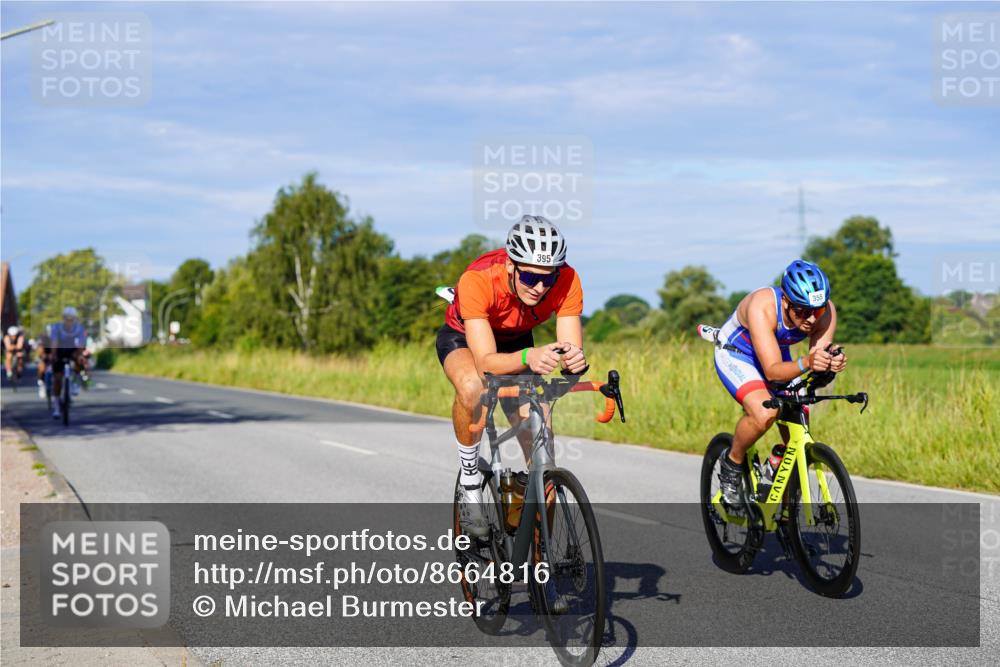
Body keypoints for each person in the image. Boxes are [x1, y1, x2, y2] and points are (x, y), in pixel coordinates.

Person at [438, 216, 588, 537]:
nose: (539, 287)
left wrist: (573, 360)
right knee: (473, 388)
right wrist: (529, 357)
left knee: (542, 454)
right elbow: (486, 364)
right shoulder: (478, 280)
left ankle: (538, 561)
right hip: (466, 339)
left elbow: (569, 346)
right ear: (511, 266)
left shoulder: (568, 279)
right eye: (531, 276)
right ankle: (469, 480)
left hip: (518, 342)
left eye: (548, 279)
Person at [712, 260, 847, 504]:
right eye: (802, 311)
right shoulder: (762, 306)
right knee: (766, 412)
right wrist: (808, 361)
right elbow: (773, 372)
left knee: (798, 428)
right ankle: (732, 463)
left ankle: (786, 517)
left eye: (816, 311)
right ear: (785, 300)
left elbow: (817, 359)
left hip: (774, 353)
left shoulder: (824, 312)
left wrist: (829, 363)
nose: (811, 319)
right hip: (737, 353)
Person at [47, 306, 89, 419]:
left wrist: (80, 355)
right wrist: (54, 355)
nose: (69, 321)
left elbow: (80, 344)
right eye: (67, 318)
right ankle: (56, 407)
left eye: (71, 319)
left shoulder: (79, 328)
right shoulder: (56, 327)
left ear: (74, 319)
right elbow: (54, 342)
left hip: (72, 350)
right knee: (57, 379)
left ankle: (75, 381)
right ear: (63, 318)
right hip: (59, 350)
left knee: (80, 360)